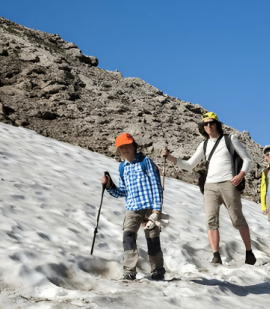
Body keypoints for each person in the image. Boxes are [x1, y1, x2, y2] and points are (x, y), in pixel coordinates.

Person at [161, 112, 256, 265]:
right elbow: (189, 165)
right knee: (211, 220)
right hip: (210, 186)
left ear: (217, 124)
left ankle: (249, 252)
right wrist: (170, 157)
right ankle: (216, 255)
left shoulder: (230, 139)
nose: (208, 126)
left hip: (228, 183)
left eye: (211, 123)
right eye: (205, 124)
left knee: (237, 220)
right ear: (202, 127)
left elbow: (247, 159)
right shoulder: (204, 145)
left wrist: (240, 175)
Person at [100, 133, 166, 281]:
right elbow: (122, 191)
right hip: (132, 207)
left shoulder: (145, 161)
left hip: (150, 206)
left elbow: (156, 186)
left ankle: (158, 270)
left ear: (133, 146)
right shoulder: (123, 167)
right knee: (128, 235)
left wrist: (157, 209)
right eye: (121, 148)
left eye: (127, 146)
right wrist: (109, 185)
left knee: (152, 238)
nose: (125, 150)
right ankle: (129, 271)